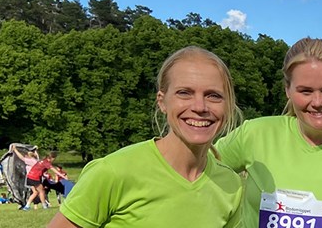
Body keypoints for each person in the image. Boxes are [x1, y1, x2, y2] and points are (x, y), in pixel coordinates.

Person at [48, 46, 244, 227]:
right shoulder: (114, 172)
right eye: (184, 93)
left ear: (228, 105)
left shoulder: (231, 184)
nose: (200, 107)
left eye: (214, 95)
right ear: (162, 102)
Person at [216, 37, 322, 228]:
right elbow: (194, 174)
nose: (317, 102)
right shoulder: (255, 134)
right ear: (287, 90)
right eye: (305, 91)